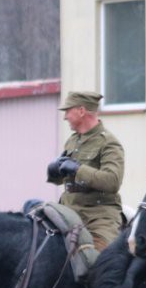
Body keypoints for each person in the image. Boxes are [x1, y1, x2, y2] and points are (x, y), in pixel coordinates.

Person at [46, 91, 125, 251]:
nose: (65, 116)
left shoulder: (109, 143)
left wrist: (78, 169)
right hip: (69, 210)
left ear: (81, 111)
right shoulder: (73, 140)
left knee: (95, 259)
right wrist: (54, 172)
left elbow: (113, 181)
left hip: (98, 216)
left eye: (68, 111)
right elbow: (65, 180)